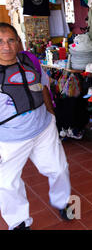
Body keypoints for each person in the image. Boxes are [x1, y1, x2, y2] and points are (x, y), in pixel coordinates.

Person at [0, 23, 73, 230]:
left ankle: (62, 201)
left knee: (59, 168)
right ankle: (19, 223)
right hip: (9, 139)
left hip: (42, 128)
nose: (6, 46)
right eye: (0, 41)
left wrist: (51, 115)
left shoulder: (30, 61)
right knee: (6, 184)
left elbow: (42, 89)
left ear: (19, 42)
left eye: (11, 40)